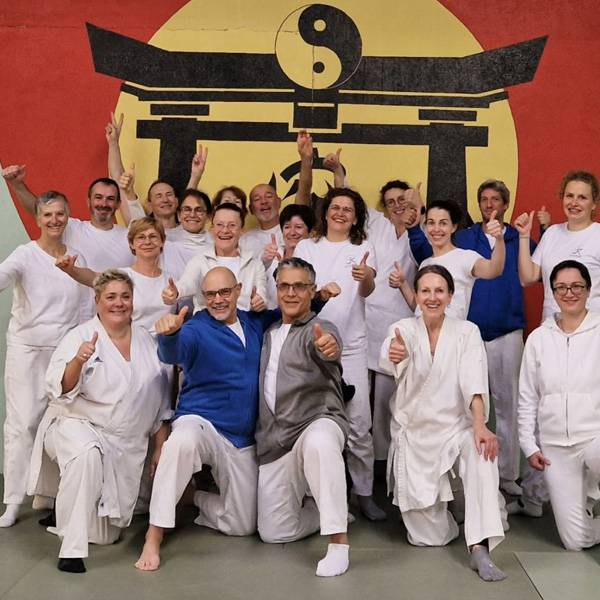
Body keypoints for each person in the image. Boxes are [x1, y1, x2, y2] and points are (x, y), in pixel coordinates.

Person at [27, 270, 172, 573]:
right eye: (111, 297)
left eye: (125, 296)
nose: (118, 303)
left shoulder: (147, 339)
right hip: (74, 425)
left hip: (124, 444)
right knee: (87, 453)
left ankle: (64, 514)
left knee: (106, 536)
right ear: (97, 302)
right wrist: (78, 360)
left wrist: (160, 447)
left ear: (133, 301)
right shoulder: (79, 336)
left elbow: (159, 403)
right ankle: (72, 552)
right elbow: (61, 389)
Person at [135, 267, 275, 572]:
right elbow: (173, 352)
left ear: (238, 290)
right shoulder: (196, 328)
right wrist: (169, 334)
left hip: (241, 436)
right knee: (180, 442)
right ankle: (154, 535)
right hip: (200, 421)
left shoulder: (254, 321)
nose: (217, 300)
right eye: (210, 294)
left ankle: (192, 497)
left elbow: (289, 314)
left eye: (224, 292)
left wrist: (319, 299)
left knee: (243, 524)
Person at [380, 265, 506, 582]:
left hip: (456, 427)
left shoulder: (467, 332)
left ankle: (479, 547)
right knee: (428, 538)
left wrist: (480, 425)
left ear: (450, 295)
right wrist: (396, 353)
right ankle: (455, 508)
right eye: (425, 290)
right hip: (415, 434)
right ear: (417, 296)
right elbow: (393, 349)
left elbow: (473, 382)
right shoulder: (403, 329)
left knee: (481, 450)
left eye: (439, 291)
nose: (432, 297)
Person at [0, 191, 92, 528]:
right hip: (27, 350)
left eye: (60, 215)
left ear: (68, 217)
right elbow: (4, 276)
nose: (54, 221)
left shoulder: (75, 258)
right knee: (22, 425)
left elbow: (83, 310)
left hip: (62, 354)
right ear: (37, 219)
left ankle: (46, 493)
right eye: (47, 215)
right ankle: (12, 500)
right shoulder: (25, 255)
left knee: (59, 423)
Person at [295, 187, 385, 521]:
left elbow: (368, 288)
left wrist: (364, 279)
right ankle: (312, 495)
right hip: (311, 346)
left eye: (348, 209)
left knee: (359, 424)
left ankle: (363, 493)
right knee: (310, 420)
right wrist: (318, 294)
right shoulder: (307, 246)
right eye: (336, 207)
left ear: (357, 217)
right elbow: (297, 287)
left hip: (352, 347)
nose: (341, 213)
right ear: (326, 212)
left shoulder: (363, 247)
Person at [256, 257, 350, 576]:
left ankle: (338, 543)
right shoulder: (268, 332)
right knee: (273, 532)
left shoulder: (319, 329)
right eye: (285, 285)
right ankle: (329, 510)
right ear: (277, 289)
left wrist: (329, 348)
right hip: (277, 441)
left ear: (312, 291)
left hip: (317, 422)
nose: (291, 292)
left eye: (300, 286)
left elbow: (330, 347)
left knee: (321, 442)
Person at [518, 260, 600, 550]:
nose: (569, 292)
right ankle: (591, 513)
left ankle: (592, 490)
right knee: (575, 541)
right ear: (552, 292)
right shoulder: (539, 338)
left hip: (594, 437)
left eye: (577, 286)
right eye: (561, 287)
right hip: (556, 447)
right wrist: (529, 445)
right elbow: (527, 396)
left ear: (588, 290)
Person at [55, 217, 176, 337]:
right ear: (131, 244)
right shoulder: (122, 276)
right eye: (141, 237)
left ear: (162, 242)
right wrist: (71, 270)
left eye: (153, 236)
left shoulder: (172, 281)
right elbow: (92, 277)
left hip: (166, 349)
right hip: (132, 347)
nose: (147, 242)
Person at [2, 166, 134, 270]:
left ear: (118, 204)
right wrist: (17, 185)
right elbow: (38, 208)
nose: (103, 204)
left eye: (110, 199)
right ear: (88, 201)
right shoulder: (71, 228)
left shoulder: (131, 237)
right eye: (98, 197)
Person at [398, 200, 505, 319]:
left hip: (453, 334)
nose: (436, 229)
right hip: (423, 334)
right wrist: (402, 284)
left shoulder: (465, 257)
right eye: (431, 223)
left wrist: (499, 239)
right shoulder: (425, 264)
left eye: (443, 223)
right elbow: (419, 308)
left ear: (453, 227)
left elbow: (494, 270)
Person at [515, 170, 600, 319]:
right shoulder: (551, 233)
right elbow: (527, 278)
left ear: (594, 204)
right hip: (551, 329)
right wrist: (524, 235)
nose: (574, 203)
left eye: (582, 197)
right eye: (569, 196)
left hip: (591, 330)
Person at [162, 203, 267, 313]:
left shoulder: (254, 264)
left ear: (241, 230)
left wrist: (259, 302)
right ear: (212, 229)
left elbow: (262, 293)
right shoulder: (200, 261)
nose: (225, 230)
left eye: (232, 225)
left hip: (243, 323)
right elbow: (188, 282)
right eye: (219, 225)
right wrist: (175, 291)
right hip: (207, 324)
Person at [240, 131, 314, 258]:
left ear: (279, 202)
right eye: (257, 199)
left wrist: (306, 159)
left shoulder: (293, 229)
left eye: (269, 196)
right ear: (251, 209)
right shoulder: (245, 240)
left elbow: (304, 191)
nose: (264, 201)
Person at [262, 204, 315, 308]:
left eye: (298, 227)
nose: (292, 232)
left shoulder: (315, 258)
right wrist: (264, 262)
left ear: (311, 232)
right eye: (287, 227)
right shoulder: (271, 255)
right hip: (271, 319)